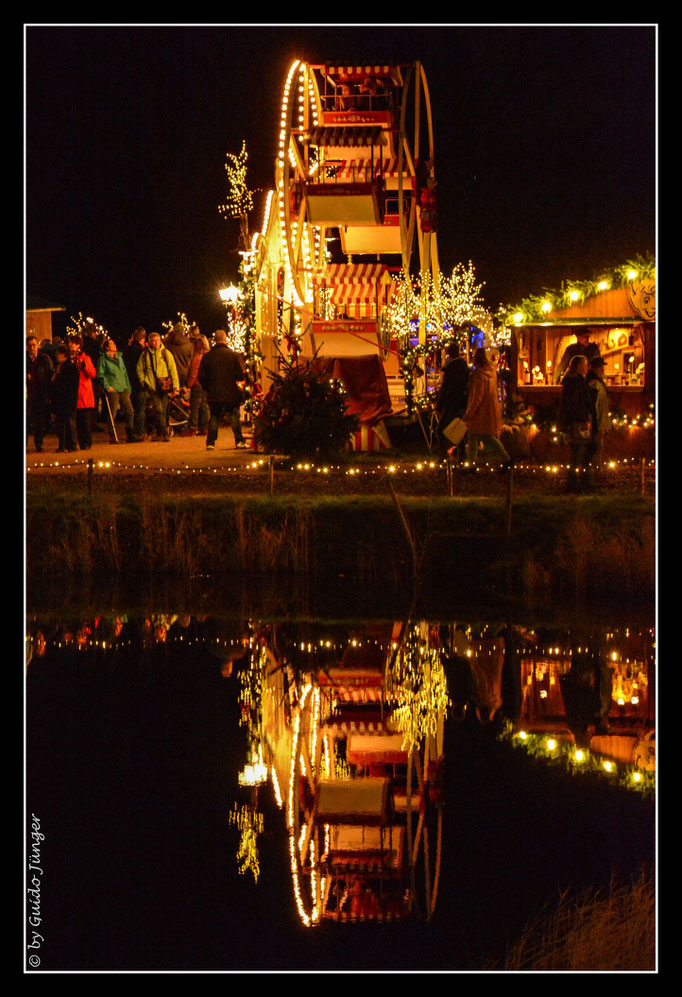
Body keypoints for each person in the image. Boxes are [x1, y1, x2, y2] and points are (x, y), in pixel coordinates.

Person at [197, 329, 246, 450]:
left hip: (214, 392)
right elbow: (240, 375)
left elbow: (201, 376)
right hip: (230, 391)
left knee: (214, 416)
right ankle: (239, 441)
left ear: (215, 340)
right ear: (225, 339)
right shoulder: (233, 355)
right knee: (234, 415)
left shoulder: (207, 357)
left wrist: (207, 387)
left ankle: (211, 443)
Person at [463, 348, 511, 467]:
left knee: (479, 436)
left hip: (480, 412)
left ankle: (506, 459)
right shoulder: (492, 372)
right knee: (482, 436)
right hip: (490, 409)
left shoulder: (478, 374)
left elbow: (477, 396)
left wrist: (469, 412)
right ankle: (505, 460)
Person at [558, 354, 597, 493]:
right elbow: (575, 403)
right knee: (578, 452)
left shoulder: (573, 382)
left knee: (578, 452)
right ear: (579, 366)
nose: (587, 368)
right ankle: (574, 483)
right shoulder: (576, 382)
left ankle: (575, 481)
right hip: (577, 421)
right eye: (585, 365)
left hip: (575, 420)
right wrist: (583, 418)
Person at [135, 331, 180, 441]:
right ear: (149, 342)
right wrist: (144, 381)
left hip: (164, 386)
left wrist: (176, 387)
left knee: (163, 410)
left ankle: (161, 433)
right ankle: (164, 433)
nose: (156, 343)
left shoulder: (166, 353)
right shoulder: (145, 354)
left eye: (158, 340)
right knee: (159, 409)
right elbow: (139, 369)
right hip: (152, 386)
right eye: (154, 341)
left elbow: (173, 370)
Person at [97, 338, 135, 442]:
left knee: (130, 410)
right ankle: (113, 435)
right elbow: (101, 374)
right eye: (111, 344)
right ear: (107, 347)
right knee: (112, 412)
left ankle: (130, 432)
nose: (114, 345)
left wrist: (128, 386)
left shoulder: (119, 357)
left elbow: (124, 372)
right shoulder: (103, 359)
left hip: (123, 387)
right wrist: (107, 386)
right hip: (112, 388)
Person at [435, 341, 469, 455]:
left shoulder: (449, 368)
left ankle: (443, 454)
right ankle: (461, 453)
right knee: (457, 428)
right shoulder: (464, 367)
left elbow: (446, 388)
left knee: (440, 429)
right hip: (461, 402)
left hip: (450, 402)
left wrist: (439, 404)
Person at [68, 336, 97, 450]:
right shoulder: (69, 359)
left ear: (78, 345)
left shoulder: (85, 358)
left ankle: (86, 443)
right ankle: (81, 442)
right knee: (78, 422)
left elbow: (92, 373)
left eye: (72, 343)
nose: (70, 345)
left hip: (83, 394)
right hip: (74, 394)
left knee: (84, 421)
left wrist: (83, 365)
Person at [49, 344, 79, 452]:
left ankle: (71, 444)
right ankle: (64, 445)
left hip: (66, 399)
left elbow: (70, 386)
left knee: (68, 423)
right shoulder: (58, 367)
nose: (56, 356)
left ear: (63, 354)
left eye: (58, 354)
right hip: (60, 400)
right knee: (61, 423)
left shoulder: (70, 368)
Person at [26, 335, 54, 452]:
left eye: (34, 345)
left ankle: (39, 443)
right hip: (27, 395)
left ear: (37, 345)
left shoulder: (44, 358)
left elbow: (49, 375)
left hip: (41, 393)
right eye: (30, 345)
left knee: (40, 420)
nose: (32, 348)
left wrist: (49, 394)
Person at [122, 327, 148, 441]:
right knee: (140, 409)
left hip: (129, 383)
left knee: (131, 409)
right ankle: (140, 432)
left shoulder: (127, 350)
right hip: (139, 383)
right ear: (142, 339)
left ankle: (131, 431)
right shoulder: (140, 352)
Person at [183, 334, 210, 436]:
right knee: (204, 405)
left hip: (197, 383)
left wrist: (189, 384)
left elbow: (194, 372)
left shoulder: (197, 357)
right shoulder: (207, 355)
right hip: (205, 384)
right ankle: (205, 427)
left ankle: (192, 427)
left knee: (195, 406)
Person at [586, 355, 610, 469]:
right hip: (597, 421)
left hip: (599, 420)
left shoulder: (596, 382)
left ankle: (595, 470)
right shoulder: (595, 383)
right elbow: (592, 404)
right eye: (600, 367)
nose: (602, 369)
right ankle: (595, 471)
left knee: (597, 446)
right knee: (597, 447)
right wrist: (594, 422)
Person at [164, 321, 194, 389]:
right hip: (184, 374)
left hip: (170, 373)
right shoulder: (189, 345)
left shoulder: (167, 343)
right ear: (183, 332)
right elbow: (191, 360)